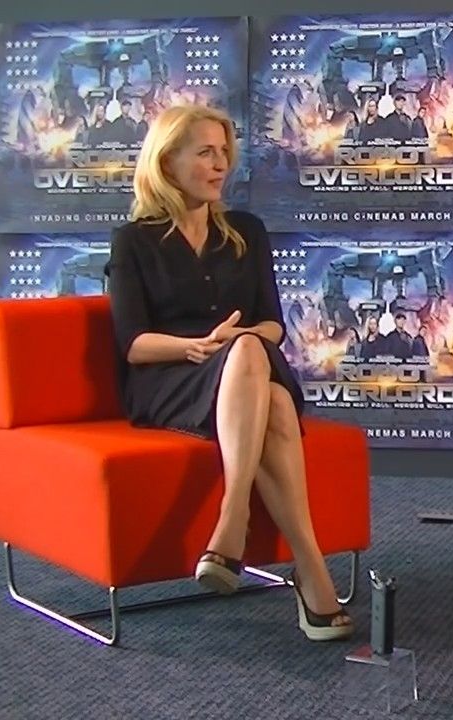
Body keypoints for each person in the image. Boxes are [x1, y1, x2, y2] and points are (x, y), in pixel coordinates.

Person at [105, 104, 353, 642]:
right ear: (167, 162)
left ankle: (234, 522)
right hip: (171, 378)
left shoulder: (246, 231)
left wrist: (238, 343)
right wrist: (199, 346)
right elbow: (134, 345)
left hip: (247, 366)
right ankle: (301, 566)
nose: (220, 165)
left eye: (224, 153)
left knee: (251, 355)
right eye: (205, 153)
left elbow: (273, 325)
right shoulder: (134, 241)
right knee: (273, 398)